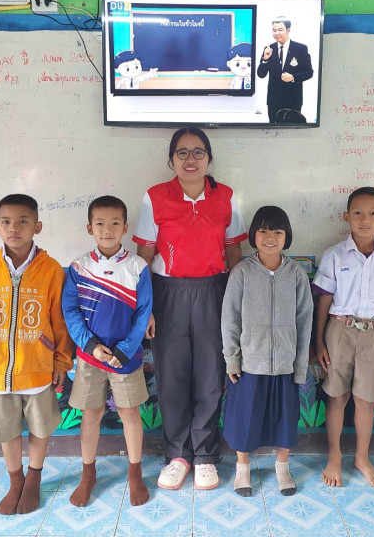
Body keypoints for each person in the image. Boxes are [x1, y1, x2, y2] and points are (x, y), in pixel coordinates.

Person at [133, 127, 247, 491]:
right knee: (172, 376)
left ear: (210, 158)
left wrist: (237, 302)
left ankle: (206, 456)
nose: (190, 159)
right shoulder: (155, 197)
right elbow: (144, 256)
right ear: (171, 160)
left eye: (199, 152)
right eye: (182, 152)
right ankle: (178, 455)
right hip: (167, 293)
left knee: (211, 375)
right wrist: (145, 308)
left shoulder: (226, 197)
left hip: (215, 290)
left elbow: (234, 252)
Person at [0, 193, 74, 514]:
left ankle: (34, 479)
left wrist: (61, 361)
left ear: (36, 226)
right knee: (7, 430)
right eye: (7, 222)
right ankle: (16, 481)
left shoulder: (51, 270)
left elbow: (60, 320)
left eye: (23, 221)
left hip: (37, 366)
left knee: (40, 427)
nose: (14, 228)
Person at [62, 196, 152, 507]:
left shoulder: (138, 266)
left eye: (115, 223)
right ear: (90, 228)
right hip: (90, 357)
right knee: (91, 414)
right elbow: (70, 310)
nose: (107, 229)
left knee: (129, 413)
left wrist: (125, 349)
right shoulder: (79, 267)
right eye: (100, 223)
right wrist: (89, 344)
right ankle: (88, 474)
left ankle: (135, 474)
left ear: (125, 227)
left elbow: (143, 312)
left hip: (126, 357)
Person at [221, 206, 313, 497]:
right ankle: (243, 468)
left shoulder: (296, 274)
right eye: (263, 231)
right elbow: (230, 318)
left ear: (287, 236)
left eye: (277, 231)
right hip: (250, 363)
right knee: (244, 418)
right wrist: (232, 359)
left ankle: (282, 467)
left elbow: (304, 321)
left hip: (286, 363)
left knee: (285, 420)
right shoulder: (242, 272)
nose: (270, 237)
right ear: (253, 235)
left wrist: (300, 365)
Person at [313, 187, 374, 488]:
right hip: (340, 330)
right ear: (346, 216)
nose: (365, 220)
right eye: (358, 213)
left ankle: (362, 457)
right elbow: (324, 299)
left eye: (373, 213)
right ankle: (334, 456)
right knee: (337, 396)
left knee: (366, 401)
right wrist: (319, 341)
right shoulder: (334, 255)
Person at [256, 17, 313, 123]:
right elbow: (261, 74)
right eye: (274, 30)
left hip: (293, 100)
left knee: (292, 130)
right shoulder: (269, 49)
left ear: (288, 30)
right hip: (274, 100)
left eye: (280, 30)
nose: (276, 33)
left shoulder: (300, 48)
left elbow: (309, 72)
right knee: (273, 130)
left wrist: (293, 77)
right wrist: (265, 59)